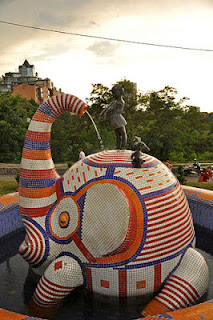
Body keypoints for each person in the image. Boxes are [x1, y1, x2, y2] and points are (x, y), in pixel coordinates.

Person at [99, 84, 127, 150]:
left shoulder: (119, 102)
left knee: (119, 134)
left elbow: (109, 108)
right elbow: (108, 108)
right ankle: (121, 147)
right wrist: (103, 114)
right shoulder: (117, 102)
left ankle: (120, 146)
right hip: (117, 118)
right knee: (122, 134)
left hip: (115, 118)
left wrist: (103, 114)